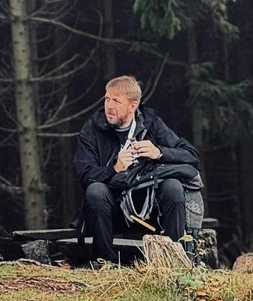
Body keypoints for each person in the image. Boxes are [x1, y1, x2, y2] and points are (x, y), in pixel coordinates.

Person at [74, 74, 201, 265]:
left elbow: (191, 156)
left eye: (116, 101)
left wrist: (159, 152)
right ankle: (105, 262)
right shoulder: (92, 128)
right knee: (95, 190)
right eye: (107, 99)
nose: (109, 106)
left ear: (133, 105)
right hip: (112, 211)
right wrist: (114, 169)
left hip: (151, 211)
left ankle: (175, 262)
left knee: (173, 187)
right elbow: (84, 175)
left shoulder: (151, 123)